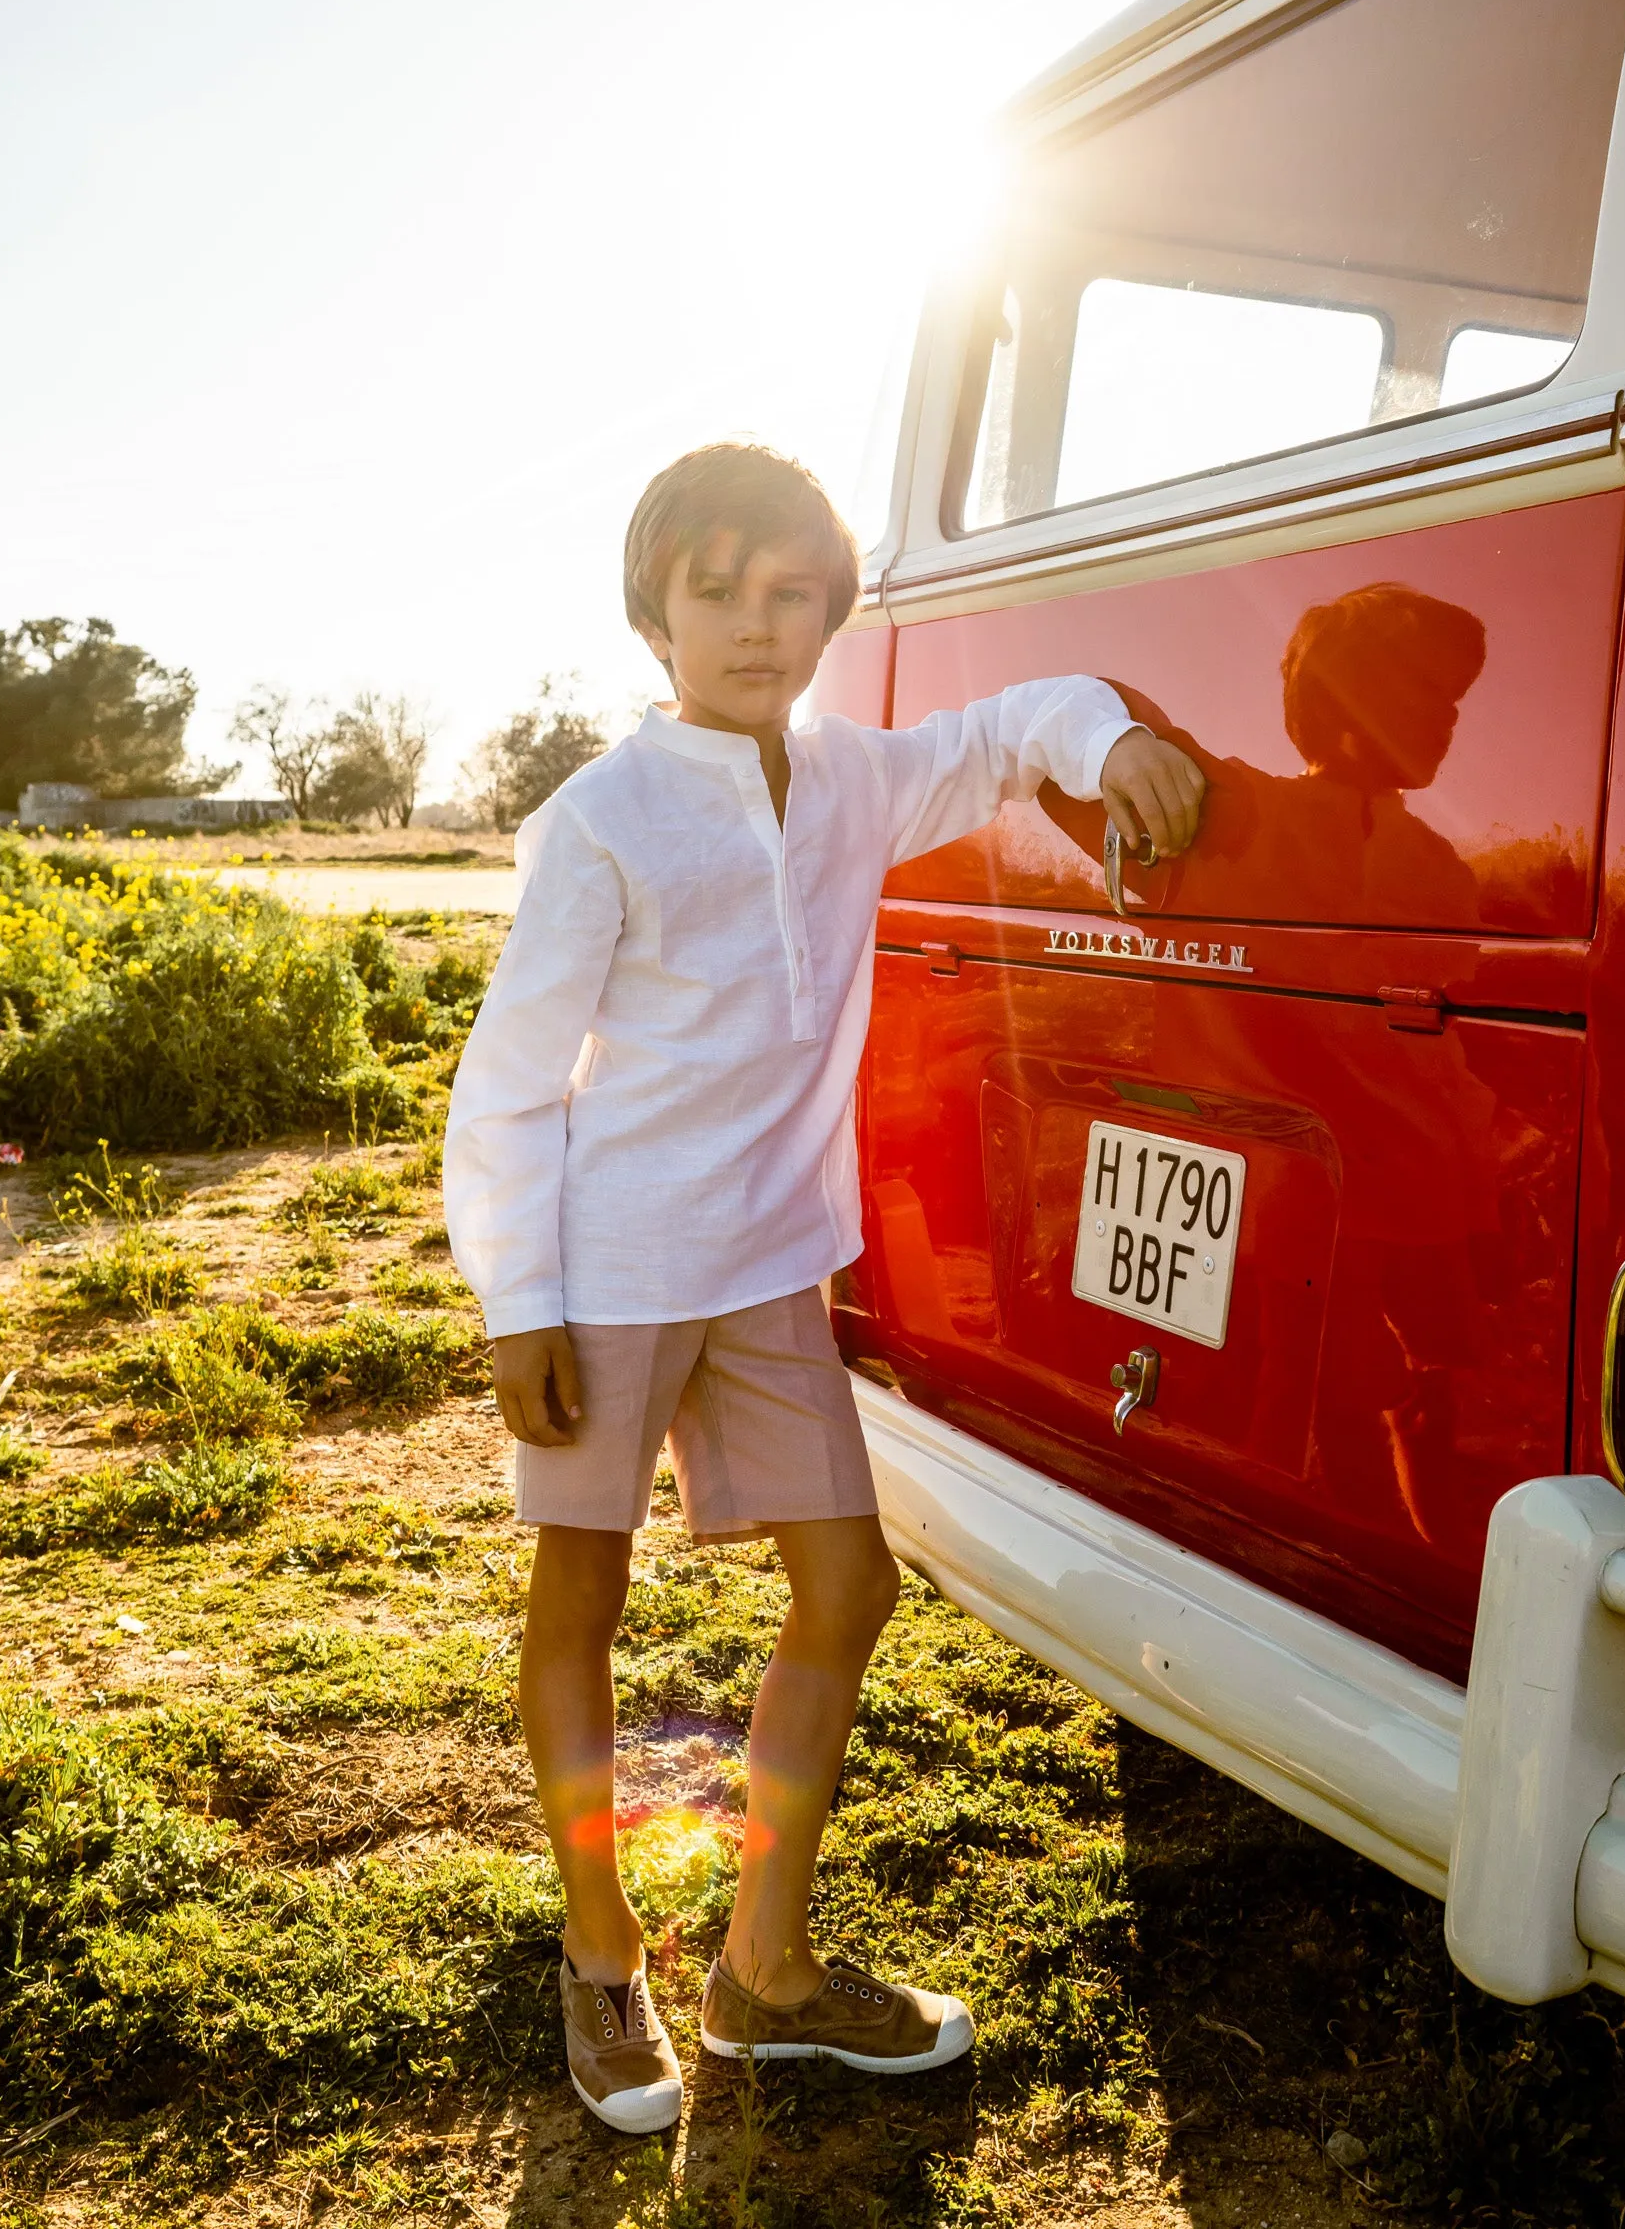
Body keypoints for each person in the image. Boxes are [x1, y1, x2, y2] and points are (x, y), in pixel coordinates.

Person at [444, 442, 1206, 2133]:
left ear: (833, 609)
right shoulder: (599, 822)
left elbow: (1012, 729)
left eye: (791, 592)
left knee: (847, 1588)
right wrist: (516, 1298)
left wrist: (1117, 739)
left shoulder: (853, 777)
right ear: (654, 614)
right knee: (580, 1605)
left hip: (772, 1264)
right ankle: (600, 1948)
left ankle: (763, 1971)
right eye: (715, 591)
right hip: (612, 1273)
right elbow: (508, 1076)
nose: (754, 624)